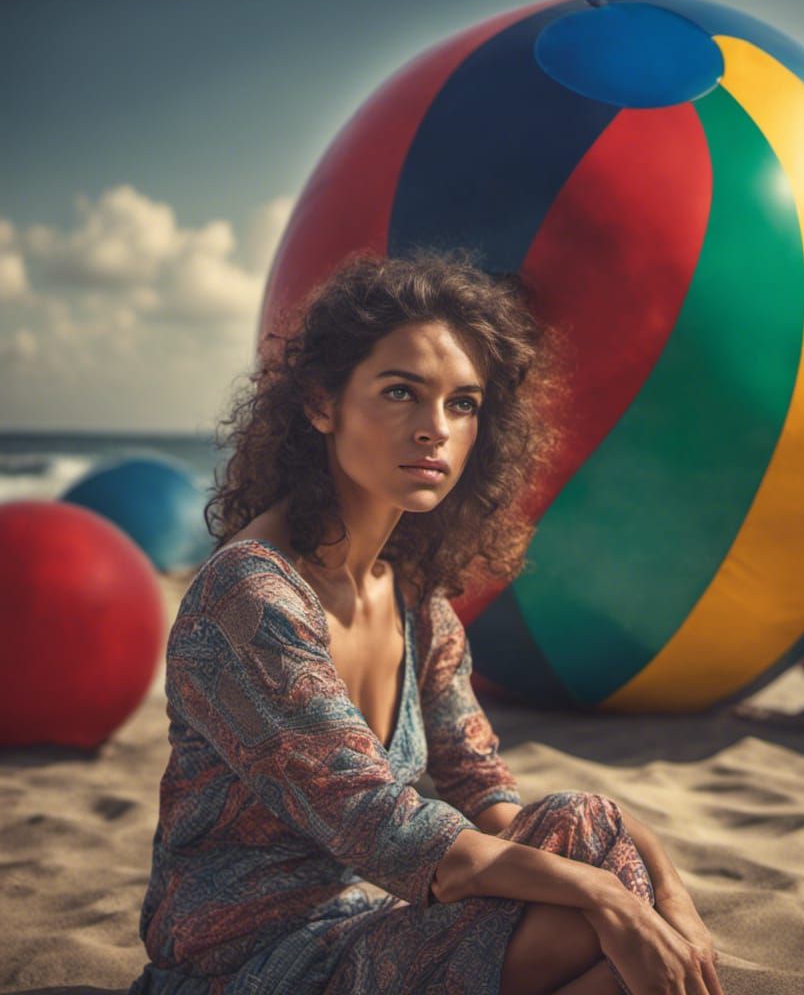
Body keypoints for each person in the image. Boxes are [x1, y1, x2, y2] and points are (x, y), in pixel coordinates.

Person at [128, 248, 727, 995]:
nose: (434, 428)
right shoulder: (251, 598)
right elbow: (385, 829)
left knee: (591, 828)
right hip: (243, 965)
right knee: (595, 917)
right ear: (321, 402)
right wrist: (609, 899)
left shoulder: (418, 605)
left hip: (366, 930)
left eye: (462, 403)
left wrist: (667, 895)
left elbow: (486, 795)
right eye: (401, 392)